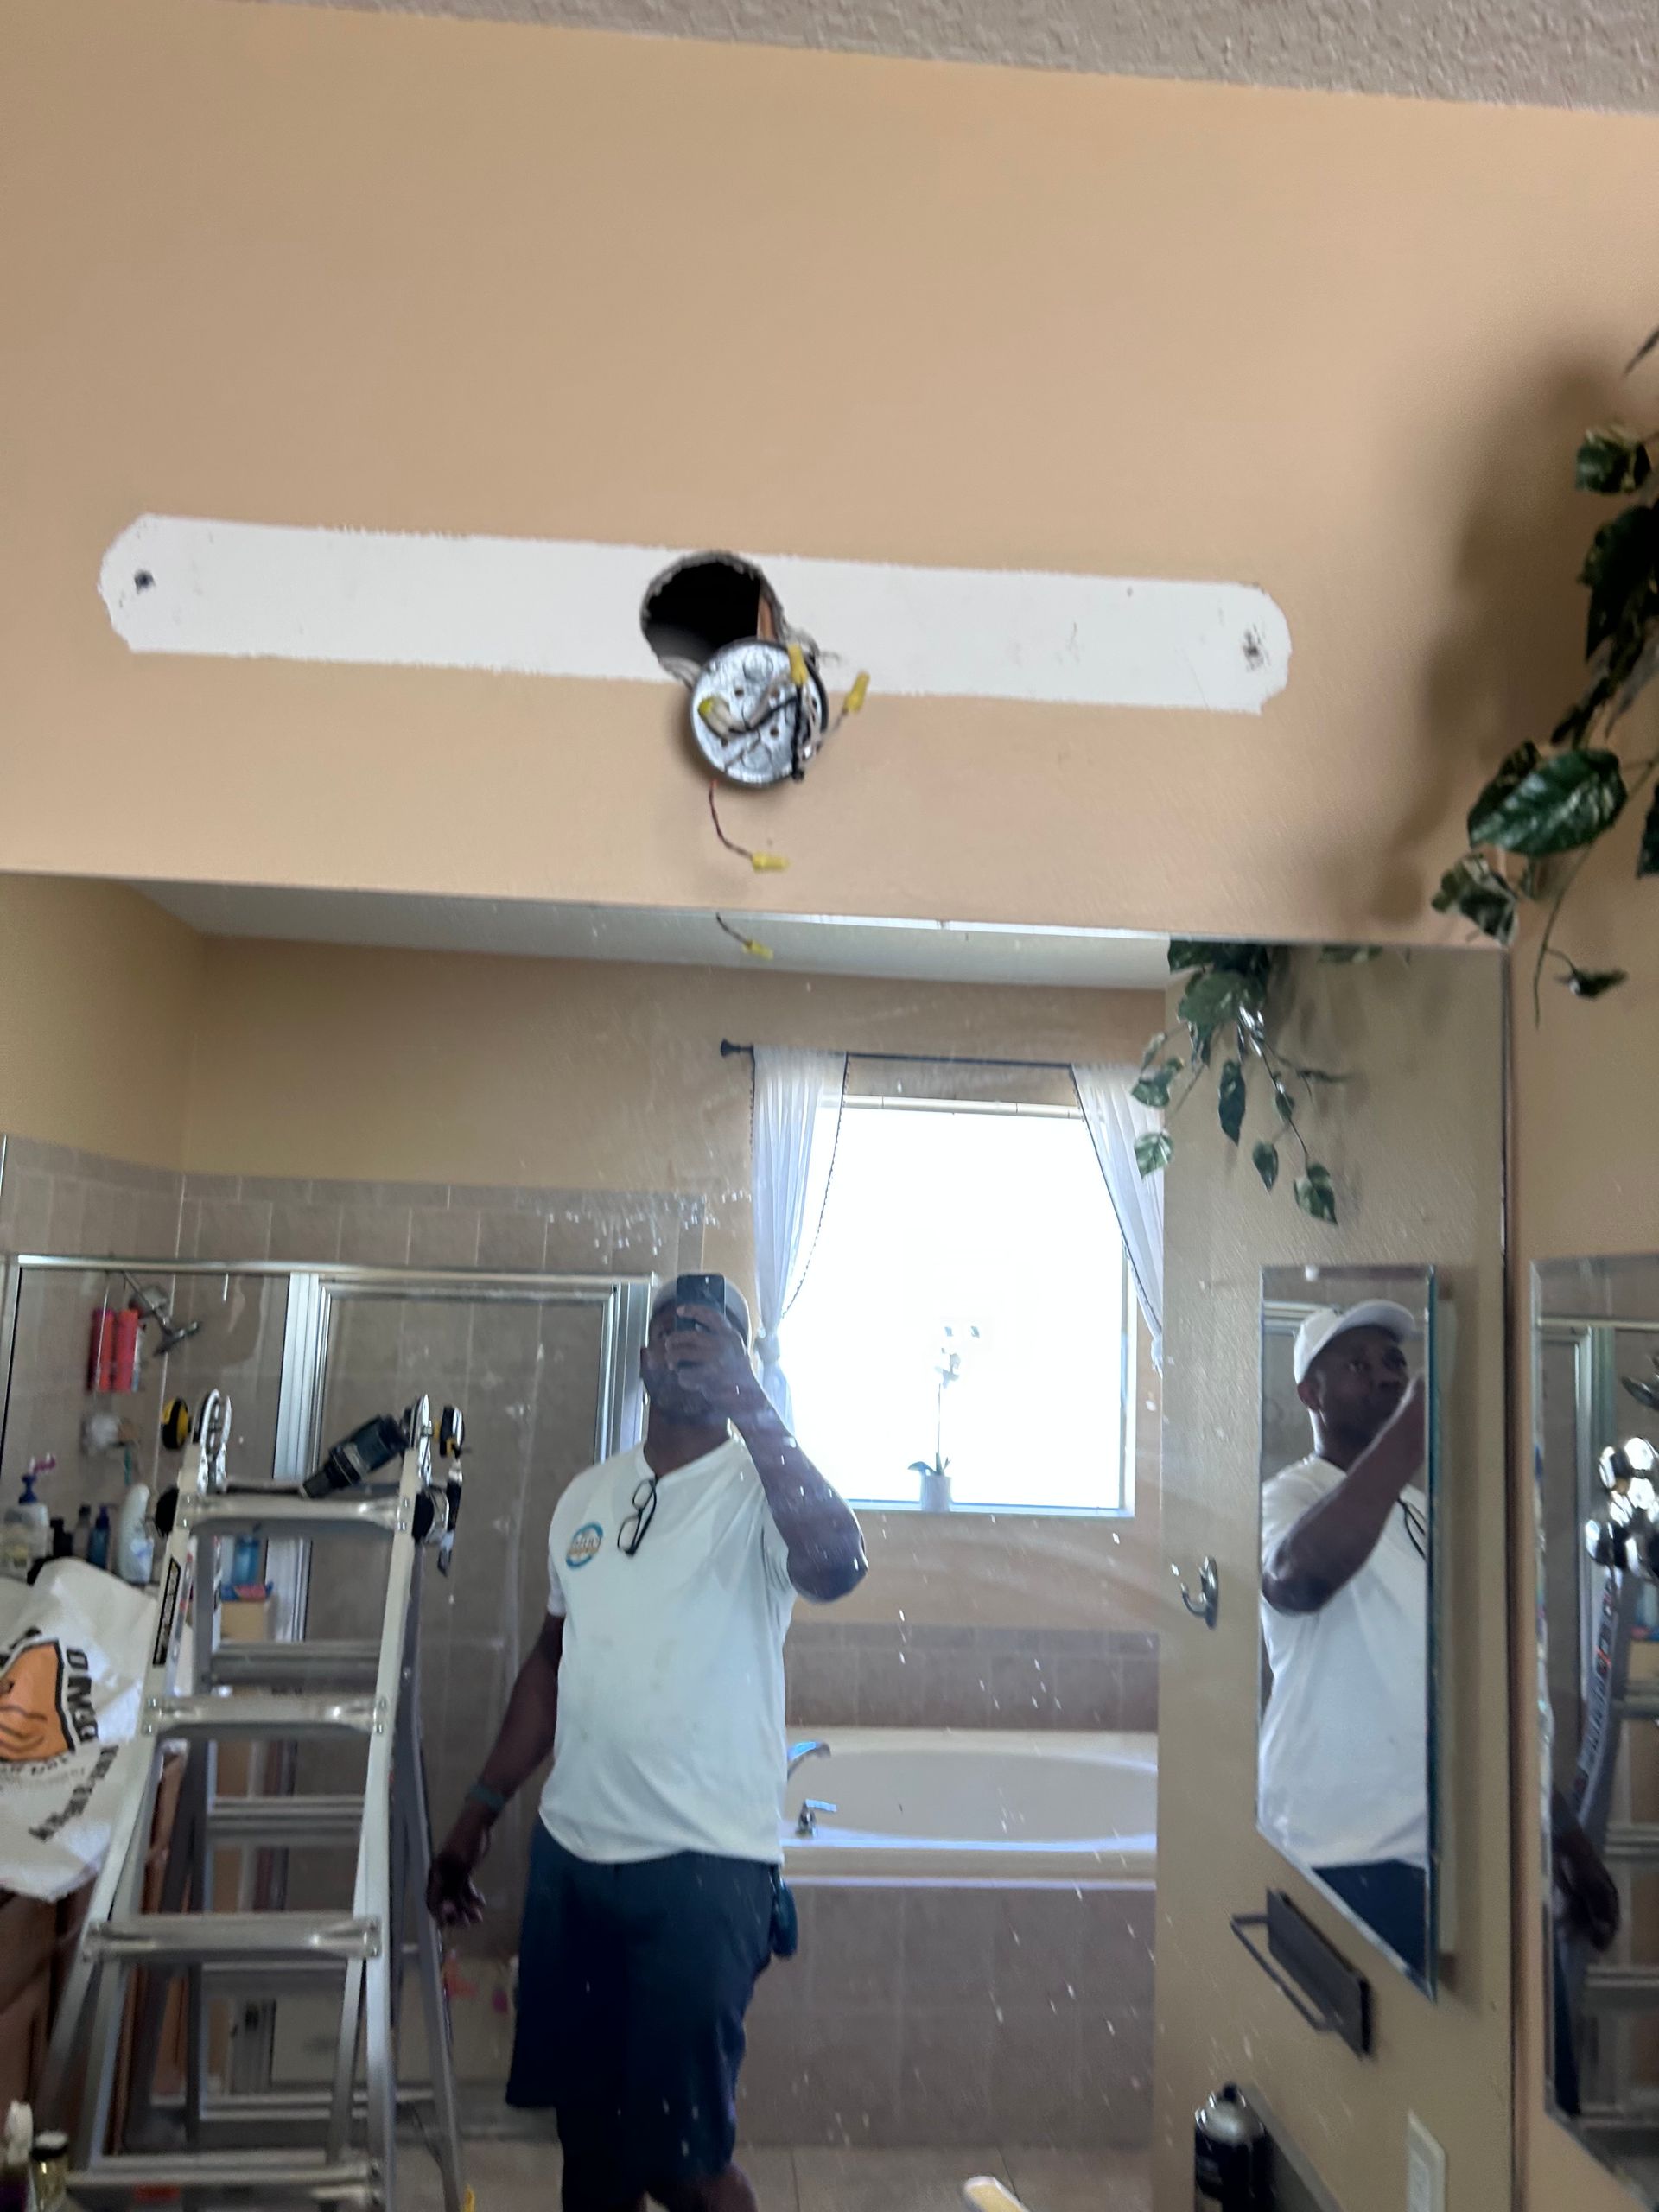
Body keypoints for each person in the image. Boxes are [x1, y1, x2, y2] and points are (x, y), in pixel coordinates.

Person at [426, 1274, 867, 2212]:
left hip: (704, 1868)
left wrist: (750, 1402)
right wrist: (478, 1813)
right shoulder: (588, 1494)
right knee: (589, 2148)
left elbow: (837, 1565)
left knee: (684, 2160)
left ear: (743, 1359)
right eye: (673, 1329)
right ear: (641, 1362)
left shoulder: (762, 1489)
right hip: (574, 1859)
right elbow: (551, 1661)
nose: (688, 1343)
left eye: (713, 1333)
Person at [1257, 1300, 1431, 1974]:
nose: (1385, 1377)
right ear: (1311, 1393)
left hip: (1437, 1845)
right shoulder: (1287, 1496)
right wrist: (1409, 1438)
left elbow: (1482, 1675)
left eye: (1394, 1362)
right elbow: (1294, 1580)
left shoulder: (1426, 1512)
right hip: (1339, 1841)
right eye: (1357, 1365)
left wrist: (1556, 1829)